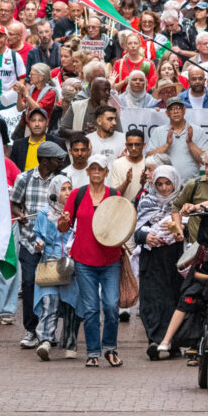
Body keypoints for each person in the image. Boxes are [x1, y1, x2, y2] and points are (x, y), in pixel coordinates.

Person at [59, 153, 124, 368]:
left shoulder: (115, 195)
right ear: (87, 172)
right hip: (84, 260)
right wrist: (64, 221)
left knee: (111, 306)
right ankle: (93, 352)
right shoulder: (77, 195)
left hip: (110, 260)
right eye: (92, 168)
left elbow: (123, 226)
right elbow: (63, 227)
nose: (96, 172)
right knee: (91, 309)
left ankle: (110, 348)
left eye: (100, 169)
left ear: (106, 172)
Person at [9, 142, 68, 343]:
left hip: (53, 244)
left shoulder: (62, 181)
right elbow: (15, 203)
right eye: (56, 159)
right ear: (44, 161)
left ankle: (50, 330)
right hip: (29, 241)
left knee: (54, 287)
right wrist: (20, 214)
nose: (61, 162)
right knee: (28, 283)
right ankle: (31, 330)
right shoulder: (23, 178)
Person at [134, 165, 185, 358]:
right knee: (151, 299)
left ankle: (173, 342)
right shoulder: (146, 201)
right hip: (152, 259)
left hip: (175, 258)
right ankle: (154, 340)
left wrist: (178, 232)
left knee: (173, 298)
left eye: (168, 183)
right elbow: (136, 230)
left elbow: (189, 228)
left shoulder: (181, 202)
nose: (164, 188)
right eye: (159, 184)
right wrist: (147, 237)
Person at [31, 175, 80, 360]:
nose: (67, 193)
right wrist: (39, 243)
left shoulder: (76, 212)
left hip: (70, 264)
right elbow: (37, 236)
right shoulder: (44, 213)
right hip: (50, 262)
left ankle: (70, 343)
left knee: (70, 304)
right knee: (48, 301)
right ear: (54, 192)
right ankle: (45, 341)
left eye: (69, 188)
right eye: (63, 189)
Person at [145, 97, 204, 185]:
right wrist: (166, 145)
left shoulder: (197, 130)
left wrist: (190, 143)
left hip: (191, 186)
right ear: (167, 113)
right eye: (172, 109)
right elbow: (149, 157)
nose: (175, 111)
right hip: (165, 187)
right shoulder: (158, 131)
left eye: (178, 108)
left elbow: (204, 160)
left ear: (184, 111)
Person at [110, 128, 147, 201]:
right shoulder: (117, 164)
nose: (133, 148)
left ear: (143, 145)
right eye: (130, 145)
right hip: (123, 209)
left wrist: (145, 184)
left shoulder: (149, 164)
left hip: (144, 209)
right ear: (126, 145)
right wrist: (126, 182)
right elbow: (114, 195)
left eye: (137, 145)